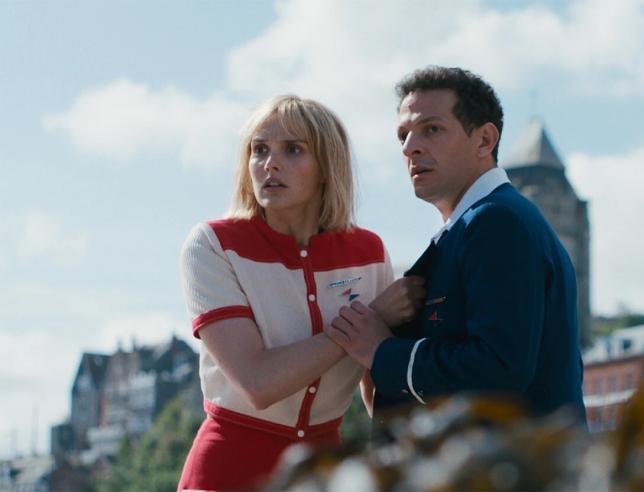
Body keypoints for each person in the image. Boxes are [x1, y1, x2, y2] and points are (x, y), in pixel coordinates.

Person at [177, 95, 424, 490]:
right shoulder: (212, 245)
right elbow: (258, 383)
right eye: (259, 150)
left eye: (292, 149)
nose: (270, 163)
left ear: (327, 167)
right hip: (228, 471)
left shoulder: (368, 250)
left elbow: (374, 382)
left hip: (326, 473)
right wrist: (367, 319)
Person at [325, 66, 587, 429]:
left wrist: (382, 351)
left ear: (484, 140)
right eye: (403, 135)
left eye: (431, 129)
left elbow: (499, 368)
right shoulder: (482, 222)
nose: (410, 147)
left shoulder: (497, 221)